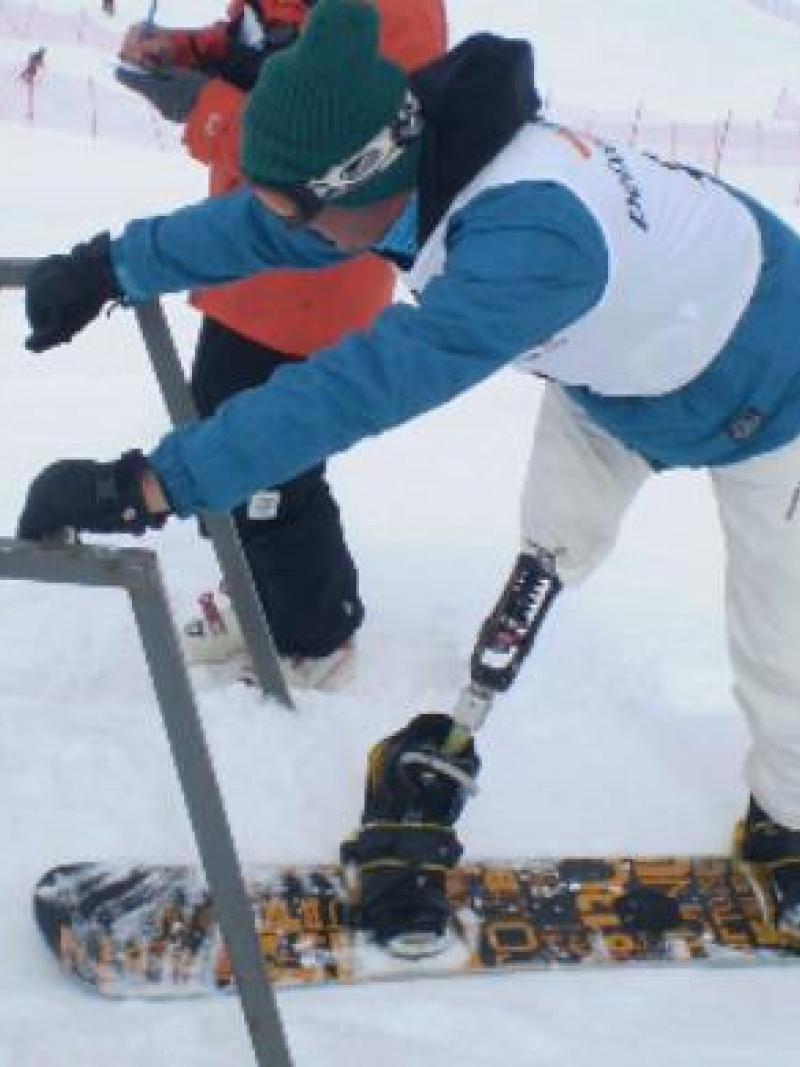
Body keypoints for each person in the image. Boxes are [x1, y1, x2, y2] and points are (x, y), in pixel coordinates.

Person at [19, 0, 800, 946]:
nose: (285, 232)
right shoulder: (404, 163)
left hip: (773, 390)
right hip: (616, 377)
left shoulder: (527, 242)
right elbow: (265, 228)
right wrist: (112, 264)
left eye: (298, 209)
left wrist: (154, 482)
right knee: (552, 550)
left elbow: (359, 387)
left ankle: (789, 822)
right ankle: (462, 728)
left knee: (780, 638)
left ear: (355, 185)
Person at [109, 0, 448, 688]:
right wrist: (188, 51)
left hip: (318, 264)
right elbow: (260, 44)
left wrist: (205, 109)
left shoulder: (395, 10)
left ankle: (315, 632)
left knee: (271, 456)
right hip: (250, 252)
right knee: (215, 421)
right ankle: (257, 591)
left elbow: (358, 159)